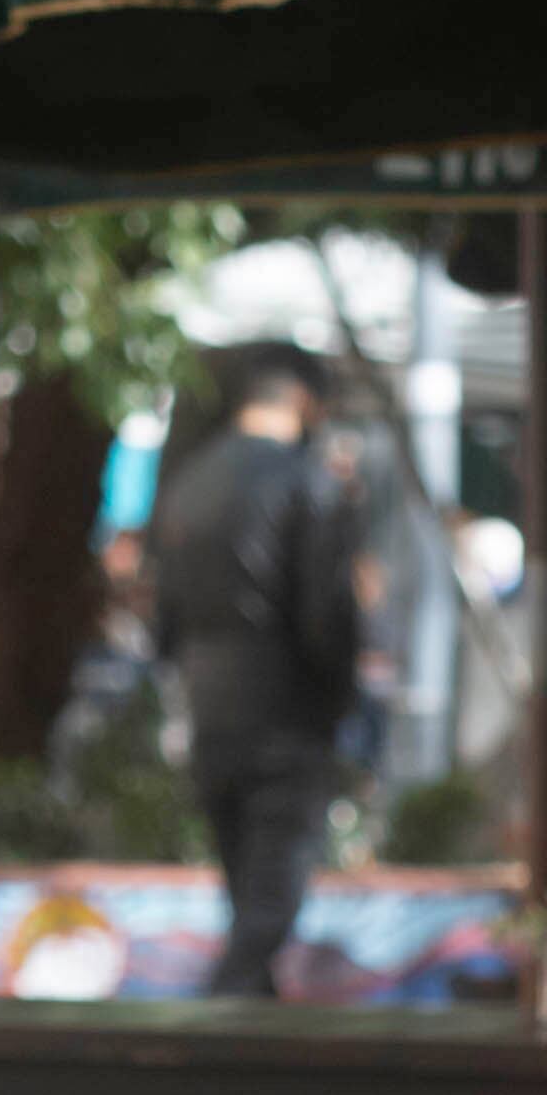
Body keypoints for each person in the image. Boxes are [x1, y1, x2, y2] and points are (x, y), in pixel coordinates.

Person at [149, 347, 367, 998]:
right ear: (302, 402)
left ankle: (247, 1067)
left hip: (207, 707)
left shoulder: (188, 483)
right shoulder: (305, 481)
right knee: (268, 911)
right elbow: (324, 617)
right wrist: (339, 702)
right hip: (284, 711)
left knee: (247, 899)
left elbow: (164, 620)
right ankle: (202, 1057)